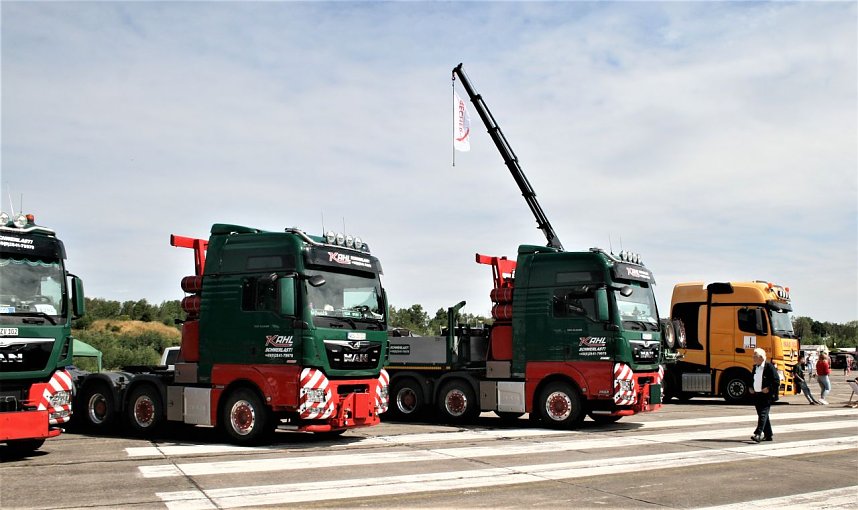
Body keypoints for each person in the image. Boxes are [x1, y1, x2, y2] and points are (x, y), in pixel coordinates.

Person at [748, 348, 779, 443]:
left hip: (767, 395)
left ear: (761, 357)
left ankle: (758, 434)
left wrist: (768, 388)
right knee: (763, 415)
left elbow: (776, 381)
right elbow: (752, 379)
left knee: (762, 415)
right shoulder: (755, 367)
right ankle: (768, 434)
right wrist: (750, 387)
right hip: (757, 394)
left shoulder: (769, 367)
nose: (753, 357)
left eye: (755, 356)